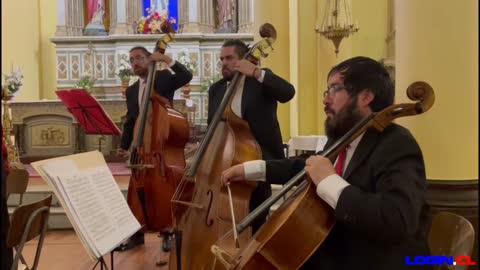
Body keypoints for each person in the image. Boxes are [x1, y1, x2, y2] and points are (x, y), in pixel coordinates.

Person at [221, 56, 431, 269]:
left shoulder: (396, 143)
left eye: (334, 89)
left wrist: (329, 181)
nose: (326, 99)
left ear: (365, 96)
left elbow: (396, 219)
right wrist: (249, 168)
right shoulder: (341, 139)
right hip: (333, 253)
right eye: (326, 91)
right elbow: (306, 167)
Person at [208, 39, 295, 233]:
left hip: (257, 159)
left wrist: (256, 72)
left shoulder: (260, 82)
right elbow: (212, 129)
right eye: (222, 59)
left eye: (229, 58)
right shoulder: (216, 89)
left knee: (256, 219)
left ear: (244, 60)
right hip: (224, 162)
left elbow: (288, 92)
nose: (224, 63)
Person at [117, 46, 192, 251]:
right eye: (131, 60)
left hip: (160, 148)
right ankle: (137, 232)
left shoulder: (163, 77)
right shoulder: (132, 90)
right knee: (135, 188)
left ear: (150, 59)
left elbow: (186, 75)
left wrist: (167, 59)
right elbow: (131, 121)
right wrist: (124, 146)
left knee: (164, 190)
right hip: (141, 151)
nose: (135, 63)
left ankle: (167, 230)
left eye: (139, 58)